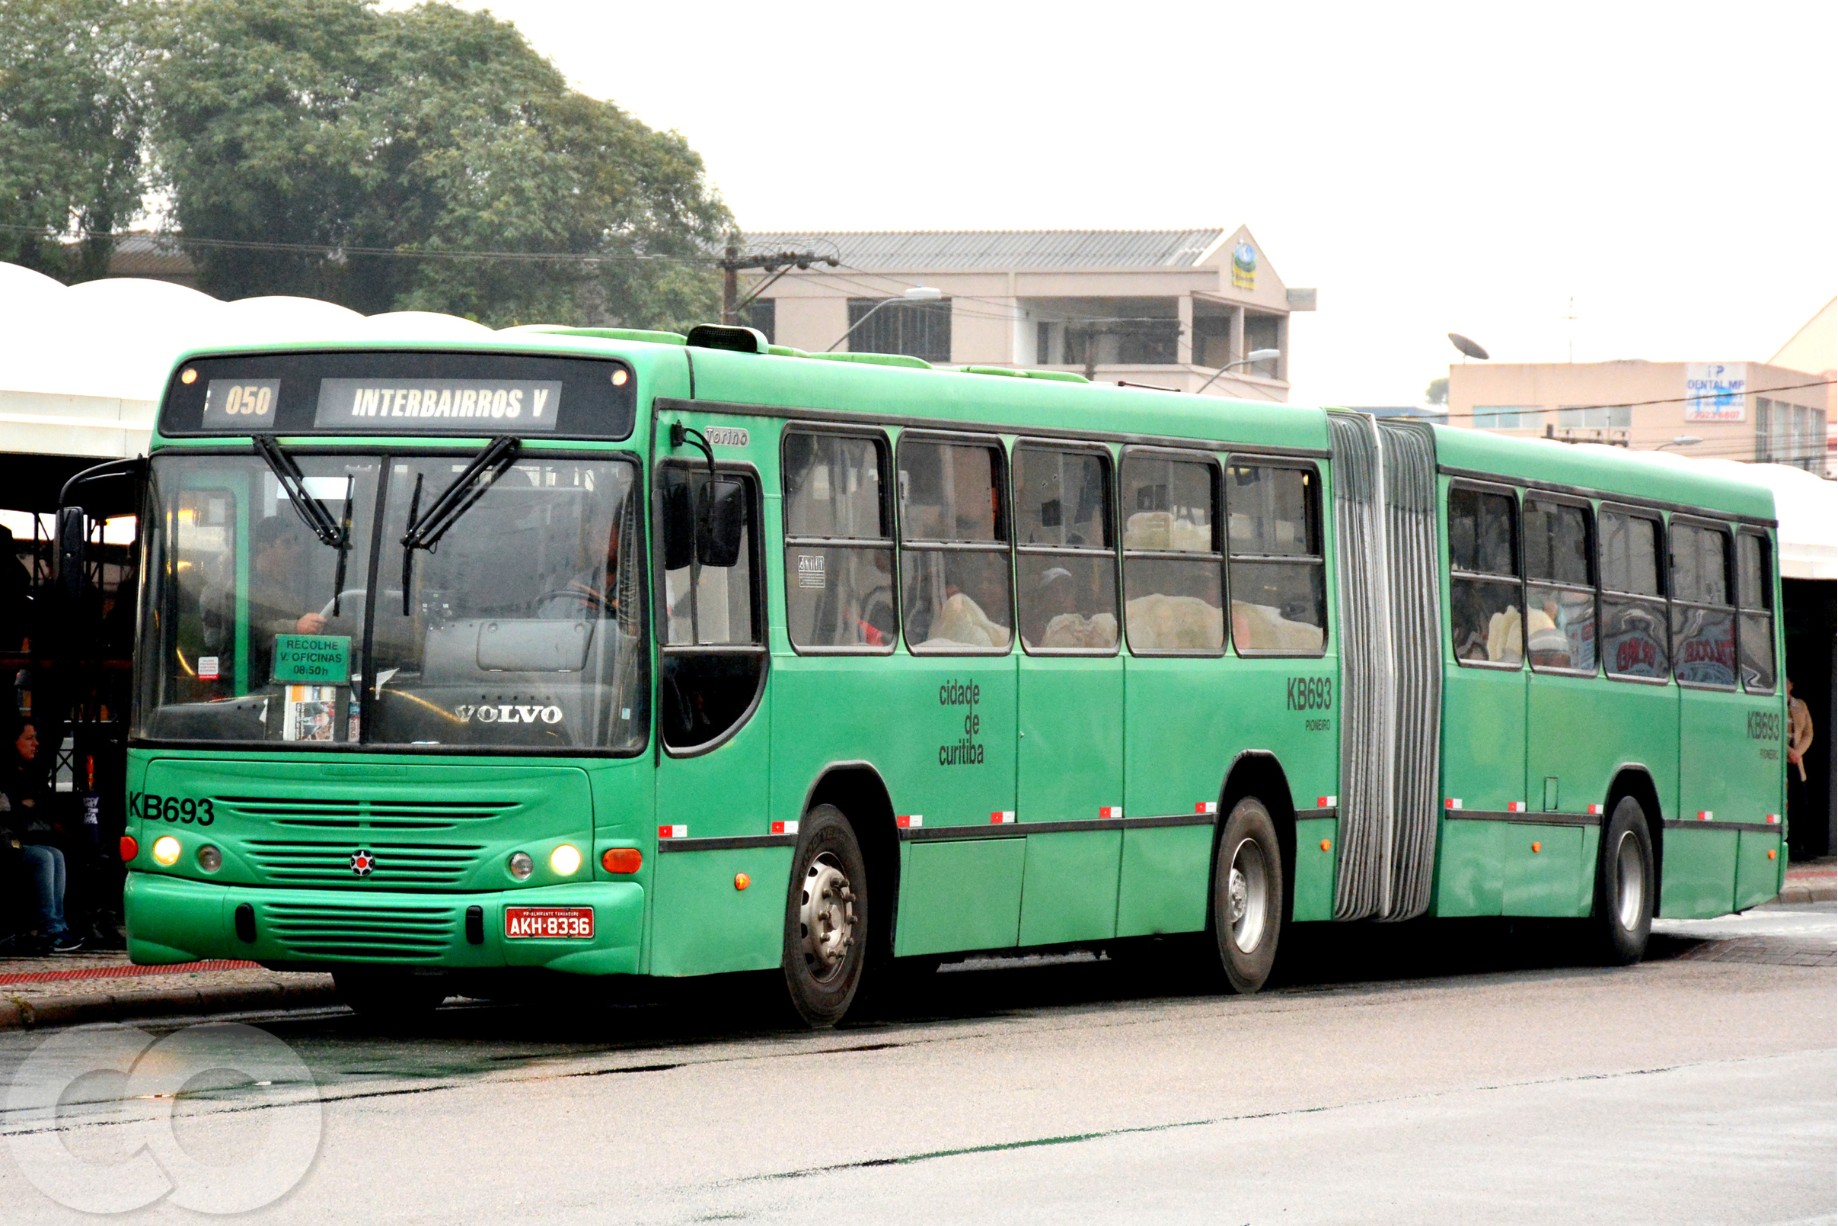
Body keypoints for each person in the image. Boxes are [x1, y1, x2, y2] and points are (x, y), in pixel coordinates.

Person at [1, 717, 81, 953]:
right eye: (28, 738)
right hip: (6, 842)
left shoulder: (29, 772)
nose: (35, 743)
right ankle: (49, 927)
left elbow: (41, 804)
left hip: (19, 838)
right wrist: (21, 806)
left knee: (55, 854)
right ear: (13, 742)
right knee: (43, 858)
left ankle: (58, 923)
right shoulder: (5, 772)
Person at [1787, 678, 1815, 859]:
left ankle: (1798, 845)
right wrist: (1788, 751)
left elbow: (1808, 733)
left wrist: (1797, 752)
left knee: (1801, 802)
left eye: (1788, 682)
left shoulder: (1801, 705)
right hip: (1781, 758)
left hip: (1796, 760)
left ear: (1791, 685)